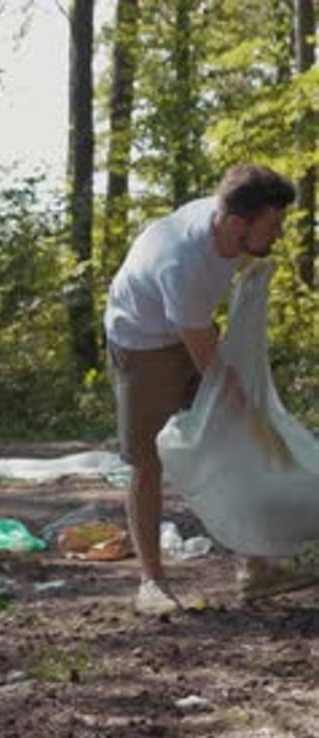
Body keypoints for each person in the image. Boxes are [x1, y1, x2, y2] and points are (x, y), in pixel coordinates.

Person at [104, 163, 298, 616]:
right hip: (142, 343)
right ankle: (151, 582)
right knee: (147, 461)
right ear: (236, 224)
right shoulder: (183, 262)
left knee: (232, 440)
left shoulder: (228, 226)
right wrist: (247, 406)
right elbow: (210, 363)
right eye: (273, 225)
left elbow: (204, 332)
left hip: (189, 326)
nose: (281, 234)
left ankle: (255, 568)